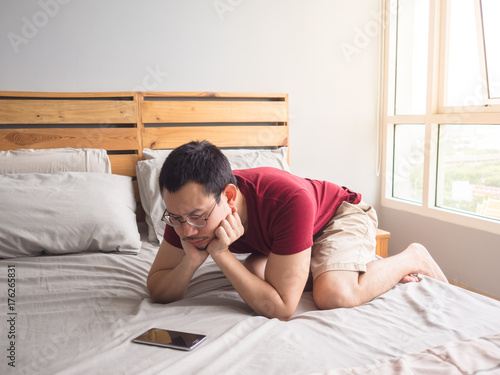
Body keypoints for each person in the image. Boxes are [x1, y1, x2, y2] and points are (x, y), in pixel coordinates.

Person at [147, 140, 448, 321]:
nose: (186, 231)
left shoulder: (287, 199)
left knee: (333, 294)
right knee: (254, 272)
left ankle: (412, 257)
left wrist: (222, 254)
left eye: (196, 217)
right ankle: (342, 266)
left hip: (337, 216)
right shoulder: (186, 210)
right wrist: (190, 261)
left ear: (227, 196)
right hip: (282, 243)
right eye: (175, 218)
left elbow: (282, 309)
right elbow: (158, 289)